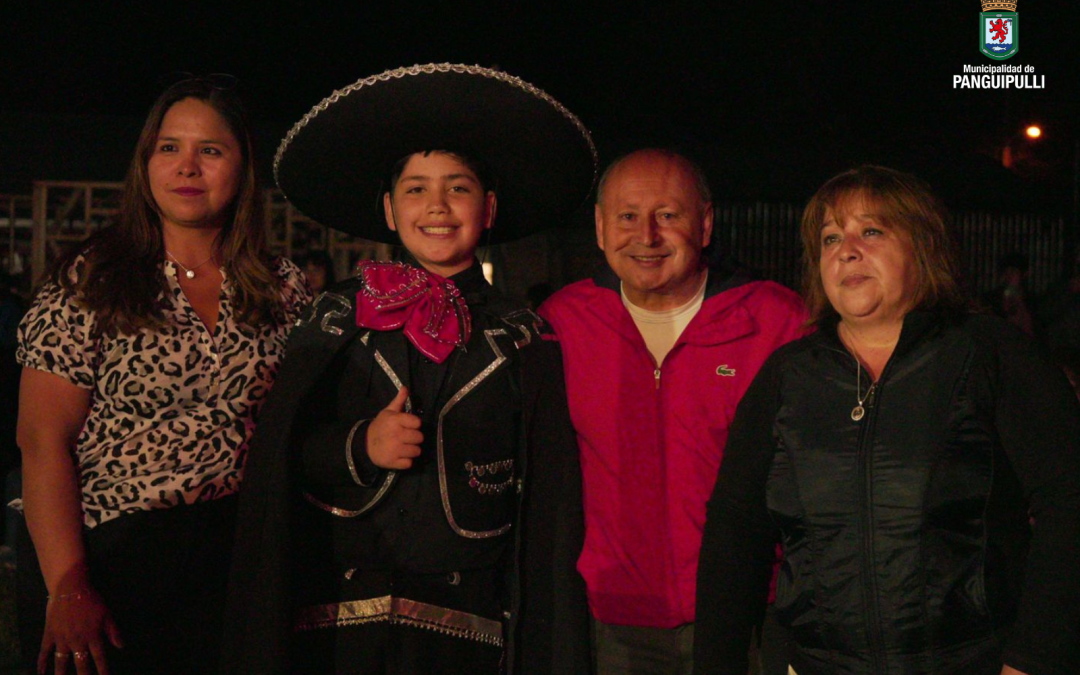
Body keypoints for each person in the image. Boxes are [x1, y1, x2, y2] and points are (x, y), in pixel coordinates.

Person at [222, 63, 597, 675]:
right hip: (341, 622)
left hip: (470, 623)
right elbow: (282, 453)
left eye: (459, 187)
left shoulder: (525, 333)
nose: (438, 206)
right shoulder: (334, 316)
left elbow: (548, 496)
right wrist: (359, 446)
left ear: (490, 207)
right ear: (390, 212)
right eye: (416, 189)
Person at [694, 165, 1080, 675]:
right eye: (830, 238)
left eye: (871, 231)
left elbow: (1068, 505)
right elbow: (734, 533)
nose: (846, 250)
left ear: (923, 244)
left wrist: (1034, 660)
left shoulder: (991, 354)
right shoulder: (788, 376)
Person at [14, 76, 311, 675]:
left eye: (211, 149)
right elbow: (42, 444)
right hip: (109, 556)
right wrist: (68, 587)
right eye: (169, 147)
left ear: (242, 167)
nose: (188, 167)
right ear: (146, 162)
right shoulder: (91, 279)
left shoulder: (282, 286)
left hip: (234, 560)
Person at [538, 148, 807, 674]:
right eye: (627, 216)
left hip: (748, 618)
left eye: (668, 215)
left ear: (704, 224)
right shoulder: (564, 323)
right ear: (598, 226)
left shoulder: (777, 320)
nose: (647, 236)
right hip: (613, 625)